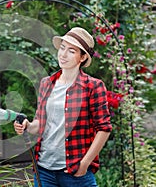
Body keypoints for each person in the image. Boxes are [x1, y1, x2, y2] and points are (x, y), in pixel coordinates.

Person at [13, 27, 112, 187]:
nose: (63, 54)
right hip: (43, 170)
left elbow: (104, 128)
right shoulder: (47, 83)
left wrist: (85, 163)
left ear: (82, 58)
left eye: (71, 51)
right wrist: (28, 126)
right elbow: (41, 122)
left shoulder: (93, 86)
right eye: (62, 48)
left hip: (75, 172)